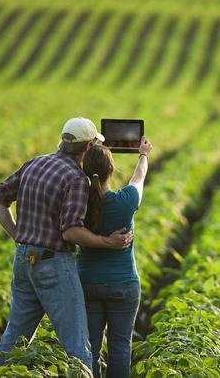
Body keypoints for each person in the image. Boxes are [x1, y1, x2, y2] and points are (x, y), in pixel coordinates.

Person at [0, 117, 133, 370]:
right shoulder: (76, 178)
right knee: (77, 343)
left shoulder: (35, 163)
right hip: (53, 264)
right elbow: (71, 232)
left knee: (15, 337)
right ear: (87, 148)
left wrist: (18, 235)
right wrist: (106, 242)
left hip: (24, 260)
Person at [77, 136, 152, 378]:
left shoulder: (78, 204)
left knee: (91, 347)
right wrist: (143, 155)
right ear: (111, 170)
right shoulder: (125, 201)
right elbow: (138, 178)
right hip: (123, 284)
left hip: (88, 283)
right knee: (120, 347)